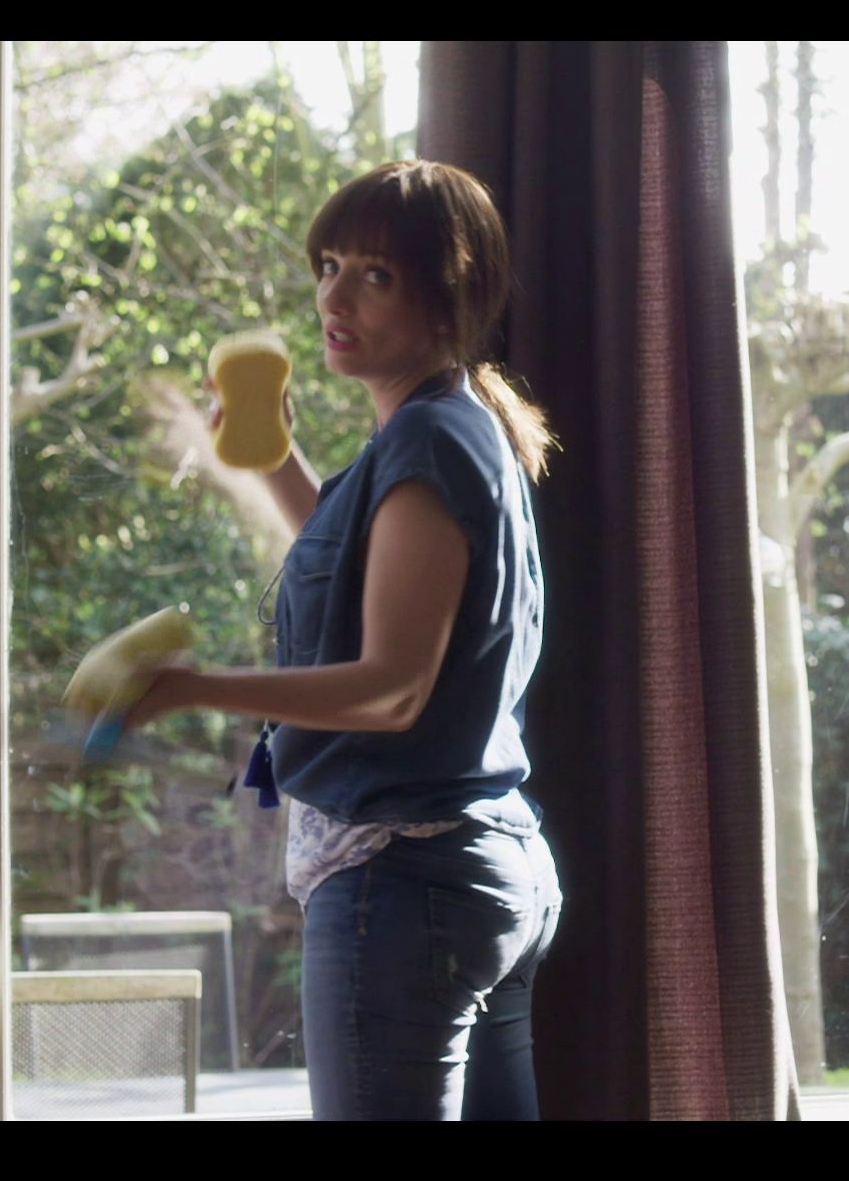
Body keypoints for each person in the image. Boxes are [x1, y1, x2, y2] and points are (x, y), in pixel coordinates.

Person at [118, 159, 561, 1121]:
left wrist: (192, 687)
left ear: (450, 298)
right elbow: (358, 566)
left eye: (376, 275)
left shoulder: (432, 441)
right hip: (475, 867)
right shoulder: (439, 432)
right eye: (329, 267)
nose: (334, 297)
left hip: (409, 878)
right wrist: (272, 456)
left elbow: (392, 688)